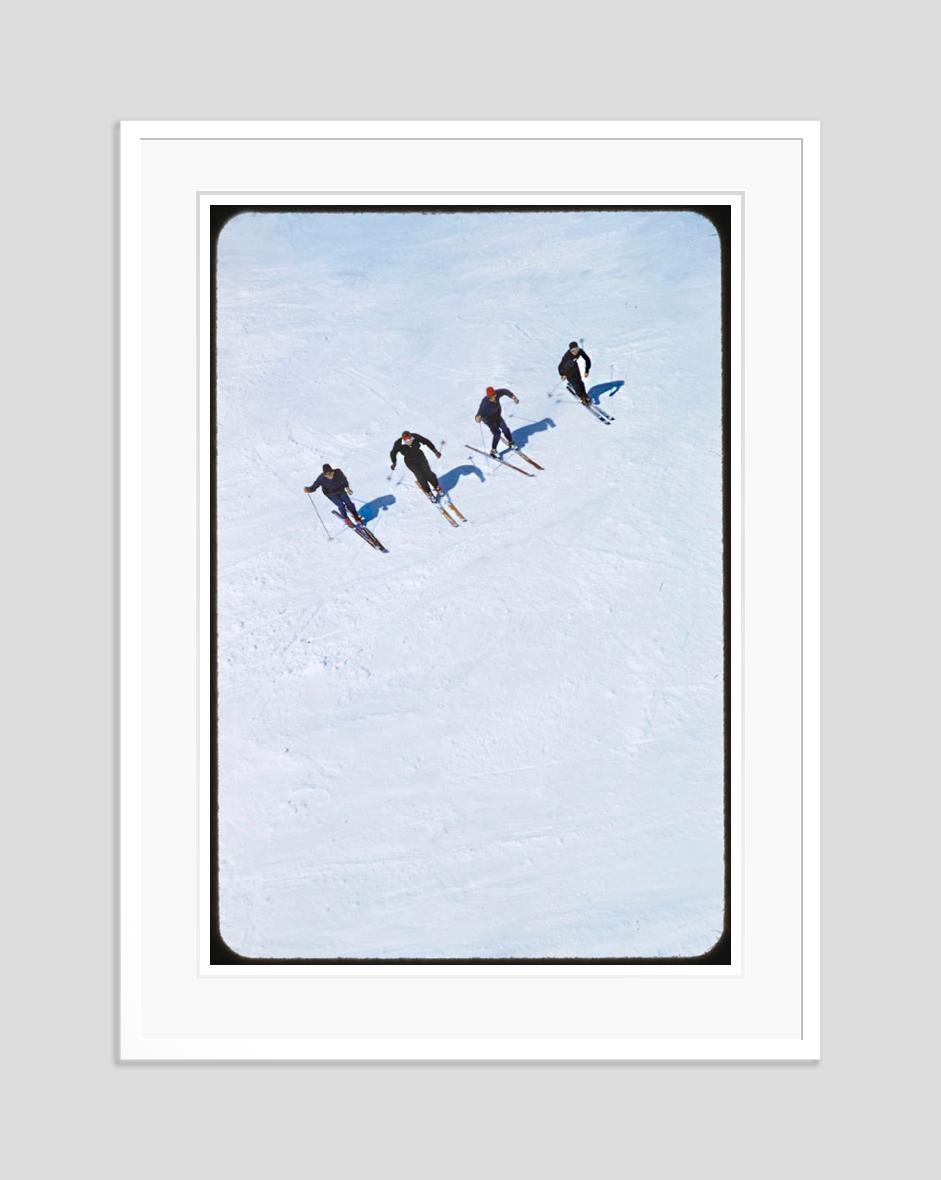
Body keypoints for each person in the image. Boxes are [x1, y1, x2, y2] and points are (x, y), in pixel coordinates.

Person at [390, 431, 443, 497]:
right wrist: (394, 463)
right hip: (410, 461)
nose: (409, 440)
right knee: (420, 476)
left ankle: (436, 486)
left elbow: (426, 441)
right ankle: (428, 492)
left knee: (428, 472)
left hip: (420, 457)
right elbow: (393, 453)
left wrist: (435, 451)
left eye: (410, 438)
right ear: (403, 438)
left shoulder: (415, 436)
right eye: (406, 439)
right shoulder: (398, 443)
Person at [475, 386, 520, 456]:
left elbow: (505, 391)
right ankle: (493, 450)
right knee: (497, 433)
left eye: (493, 396)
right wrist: (478, 418)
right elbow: (479, 413)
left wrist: (513, 397)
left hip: (497, 415)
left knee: (505, 428)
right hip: (488, 419)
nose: (492, 399)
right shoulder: (485, 403)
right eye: (490, 398)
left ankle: (511, 442)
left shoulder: (497, 393)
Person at [558, 341, 592, 405]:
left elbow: (587, 360)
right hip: (567, 371)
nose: (575, 352)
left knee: (580, 382)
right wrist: (562, 374)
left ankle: (585, 395)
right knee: (576, 384)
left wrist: (587, 371)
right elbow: (560, 366)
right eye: (573, 351)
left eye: (576, 350)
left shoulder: (580, 351)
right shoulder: (567, 356)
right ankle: (581, 397)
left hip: (575, 367)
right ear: (570, 351)